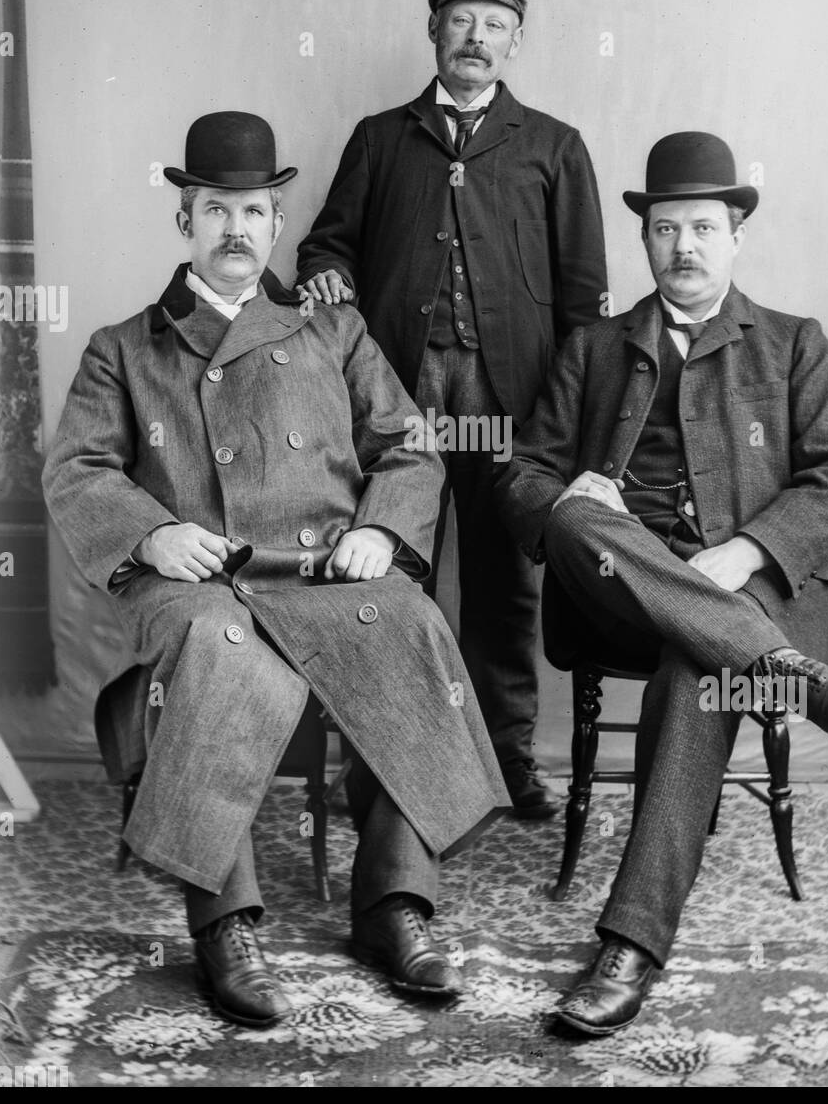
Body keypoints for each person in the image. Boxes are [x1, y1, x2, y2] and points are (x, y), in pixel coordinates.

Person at [43, 111, 509, 1029]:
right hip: (200, 578)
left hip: (326, 568)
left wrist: (380, 529)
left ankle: (393, 904)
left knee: (410, 620)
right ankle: (226, 925)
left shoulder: (331, 330)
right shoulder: (125, 346)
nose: (236, 231)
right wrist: (152, 535)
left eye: (254, 212)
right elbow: (78, 470)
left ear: (275, 220)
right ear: (186, 219)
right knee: (218, 646)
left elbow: (411, 447)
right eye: (216, 210)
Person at [495, 131, 828, 1035]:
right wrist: (568, 495)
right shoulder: (595, 348)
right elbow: (519, 474)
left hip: (746, 595)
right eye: (666, 229)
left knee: (701, 662)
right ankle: (795, 674)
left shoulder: (792, 345)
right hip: (616, 597)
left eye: (703, 227)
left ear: (736, 232)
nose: (685, 248)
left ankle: (629, 946)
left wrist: (746, 552)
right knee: (576, 512)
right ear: (647, 240)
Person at [295, 0, 608, 817]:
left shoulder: (552, 144)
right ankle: (398, 767)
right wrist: (326, 278)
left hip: (511, 401)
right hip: (401, 396)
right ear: (433, 33)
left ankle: (507, 763)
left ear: (516, 42)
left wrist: (572, 415)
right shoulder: (381, 138)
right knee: (395, 575)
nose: (476, 36)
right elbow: (326, 247)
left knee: (508, 581)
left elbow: (586, 302)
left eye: (495, 24)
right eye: (460, 21)